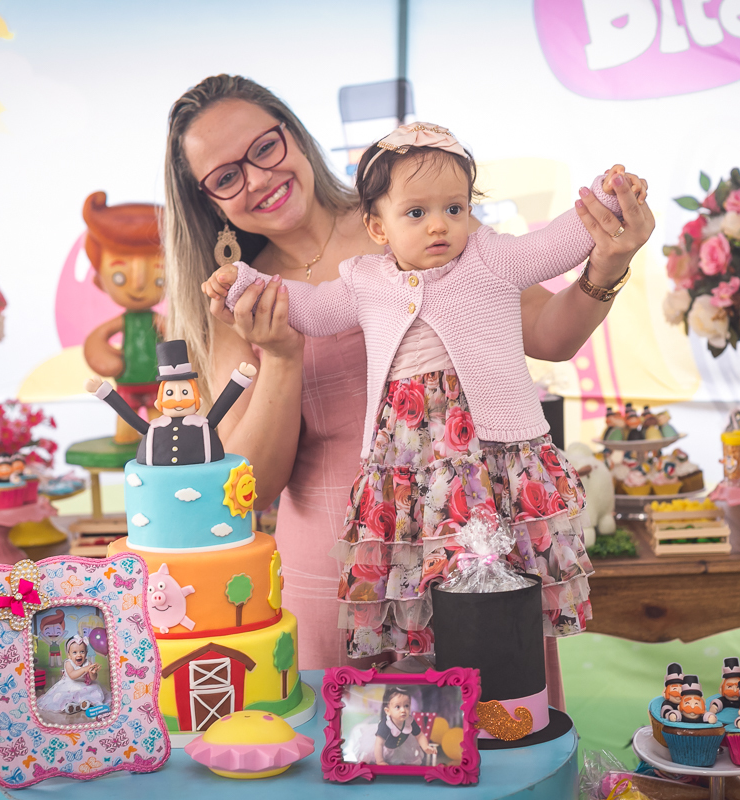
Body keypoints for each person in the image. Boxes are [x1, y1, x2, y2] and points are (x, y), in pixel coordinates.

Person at [161, 76, 654, 691]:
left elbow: (549, 335)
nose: (257, 177)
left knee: (501, 723)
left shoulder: (422, 218)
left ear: (294, 134)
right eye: (226, 176)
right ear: (208, 200)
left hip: (474, 528)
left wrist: (606, 261)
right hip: (341, 566)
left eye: (264, 147)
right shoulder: (245, 295)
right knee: (362, 754)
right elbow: (253, 485)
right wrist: (283, 357)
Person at [85, 339, 256, 466]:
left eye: (185, 392)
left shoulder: (203, 426)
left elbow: (223, 404)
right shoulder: (154, 429)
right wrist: (103, 391)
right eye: (170, 393)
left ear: (198, 400)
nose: (178, 399)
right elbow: (128, 414)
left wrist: (240, 379)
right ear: (159, 402)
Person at [80, 192, 165, 444]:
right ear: (100, 280)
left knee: (162, 428)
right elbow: (97, 339)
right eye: (120, 276)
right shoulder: (125, 322)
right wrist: (106, 357)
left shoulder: (158, 321)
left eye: (158, 277)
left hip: (157, 384)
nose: (138, 285)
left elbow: (177, 335)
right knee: (126, 429)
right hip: (127, 383)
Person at [37, 635, 106, 716]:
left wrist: (92, 672)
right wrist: (84, 669)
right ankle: (71, 706)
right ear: (69, 655)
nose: (79, 655)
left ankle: (84, 703)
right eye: (74, 652)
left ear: (86, 653)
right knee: (66, 696)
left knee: (90, 692)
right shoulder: (68, 663)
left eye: (82, 652)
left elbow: (93, 678)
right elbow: (72, 675)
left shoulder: (87, 663)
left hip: (84, 686)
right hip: (70, 686)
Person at [373, 686, 437, 766]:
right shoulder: (385, 725)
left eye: (406, 706)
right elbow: (379, 744)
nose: (403, 710)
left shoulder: (409, 721)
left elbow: (419, 735)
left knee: (400, 762)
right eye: (398, 707)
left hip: (399, 746)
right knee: (380, 756)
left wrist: (425, 746)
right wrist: (380, 761)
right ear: (387, 711)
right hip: (384, 748)